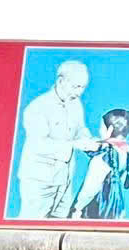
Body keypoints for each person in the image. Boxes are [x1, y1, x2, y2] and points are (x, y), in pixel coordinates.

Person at [14, 59, 99, 220]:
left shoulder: (75, 103)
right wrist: (75, 144)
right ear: (61, 81)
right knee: (33, 223)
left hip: (65, 178)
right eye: (76, 86)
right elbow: (39, 145)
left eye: (83, 87)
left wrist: (89, 140)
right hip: (39, 180)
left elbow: (80, 129)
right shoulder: (37, 108)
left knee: (60, 222)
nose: (80, 92)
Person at [72, 106, 129, 220]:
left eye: (101, 127)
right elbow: (123, 179)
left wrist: (77, 208)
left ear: (109, 130)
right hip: (115, 206)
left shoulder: (102, 158)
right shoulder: (125, 152)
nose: (99, 131)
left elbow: (90, 189)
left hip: (99, 207)